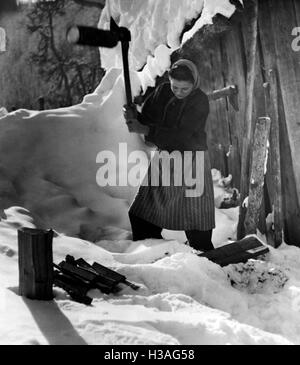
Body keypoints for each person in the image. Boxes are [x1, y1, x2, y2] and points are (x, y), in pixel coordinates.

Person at [123, 59, 215, 252]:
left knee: (196, 221)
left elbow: (182, 135)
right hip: (165, 158)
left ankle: (208, 264)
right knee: (143, 215)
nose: (179, 92)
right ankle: (152, 254)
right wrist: (134, 116)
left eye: (185, 89)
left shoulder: (199, 101)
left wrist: (146, 128)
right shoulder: (163, 91)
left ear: (194, 84)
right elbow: (148, 119)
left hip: (192, 160)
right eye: (175, 87)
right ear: (169, 81)